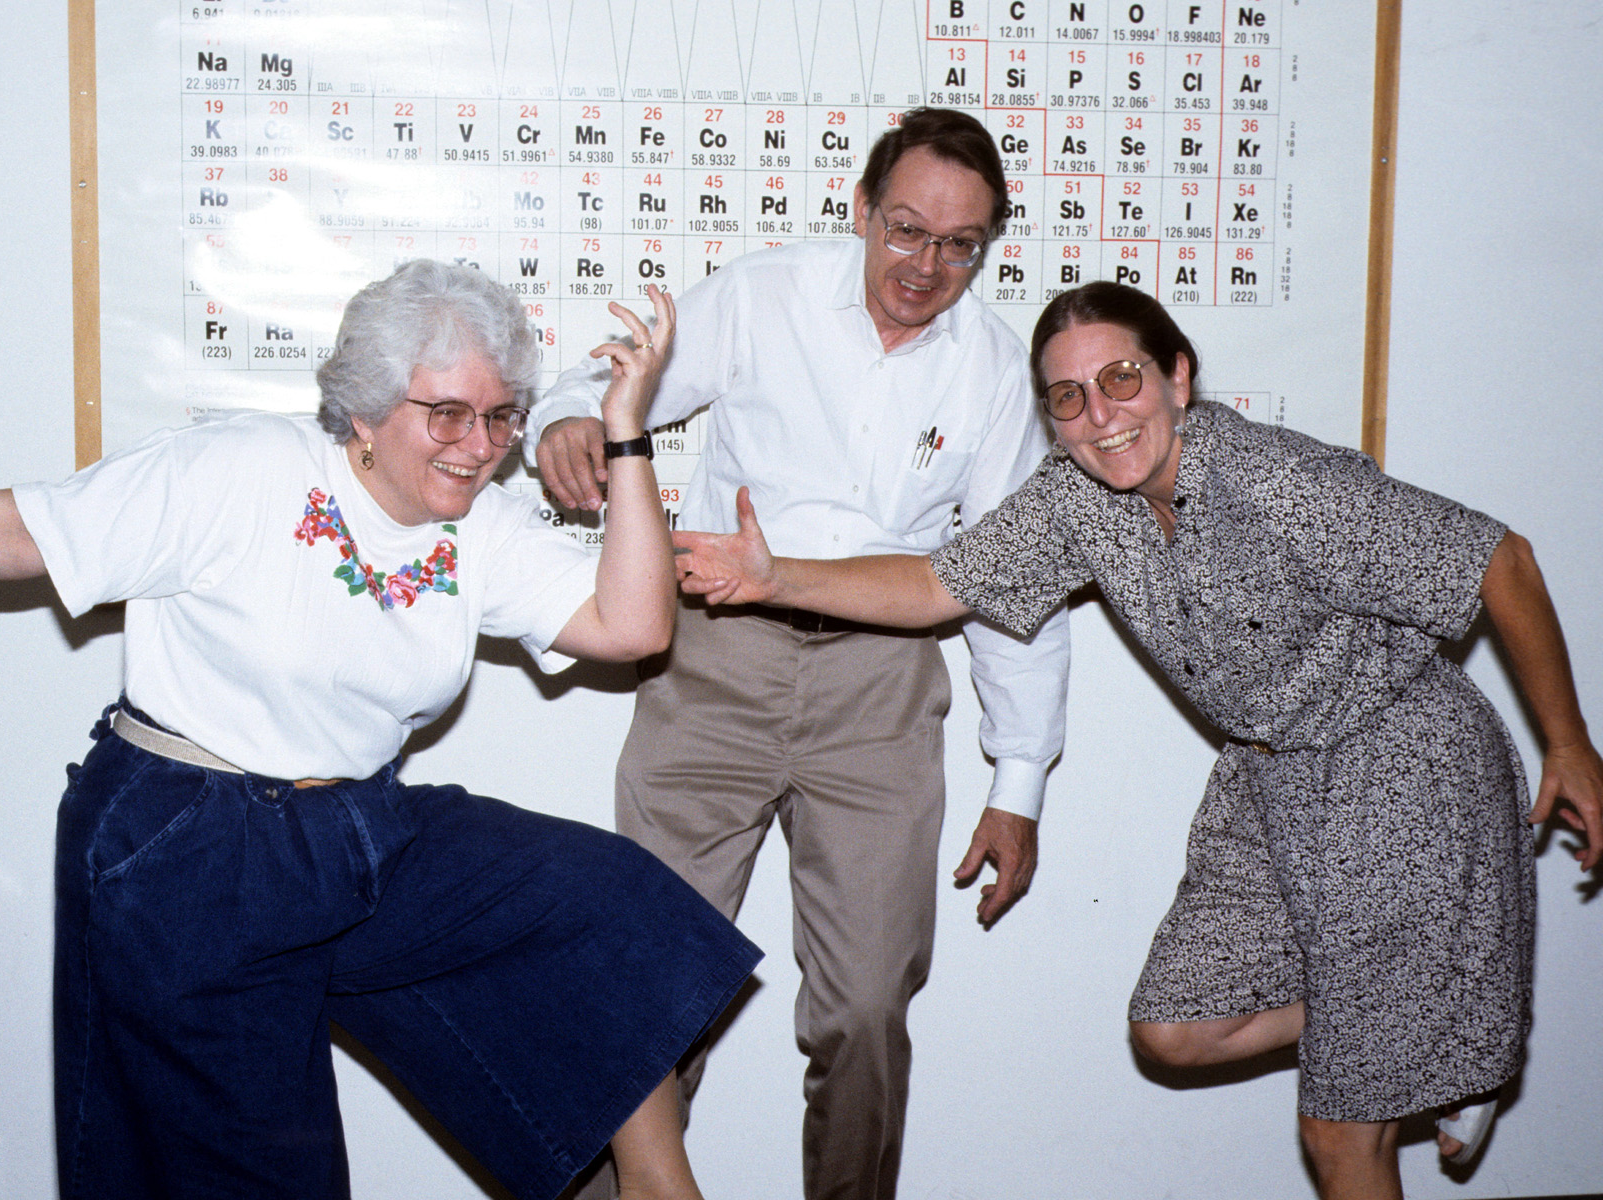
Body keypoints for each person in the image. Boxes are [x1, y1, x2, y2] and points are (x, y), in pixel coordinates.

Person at [0, 260, 761, 1200]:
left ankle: (655, 1184)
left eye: (502, 415)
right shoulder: (240, 470)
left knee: (599, 902)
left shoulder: (481, 525)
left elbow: (634, 626)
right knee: (258, 1172)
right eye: (448, 414)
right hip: (189, 844)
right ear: (365, 410)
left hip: (354, 827)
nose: (480, 446)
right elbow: (16, 531)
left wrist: (626, 434)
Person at [673, 280, 1603, 1200]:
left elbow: (1499, 559)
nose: (1101, 416)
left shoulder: (1278, 482)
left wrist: (1569, 746)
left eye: (1121, 379)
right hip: (1270, 778)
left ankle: (1415, 1031)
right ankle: (1428, 1026)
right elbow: (934, 586)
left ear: (1177, 377)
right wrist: (774, 576)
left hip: (1399, 769)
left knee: (1338, 1137)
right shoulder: (1078, 500)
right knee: (1175, 1028)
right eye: (1068, 397)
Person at [526, 108, 1069, 1200]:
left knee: (867, 1005)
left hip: (881, 686)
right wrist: (568, 420)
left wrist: (1019, 785)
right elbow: (605, 379)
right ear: (862, 210)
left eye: (959, 246)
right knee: (648, 987)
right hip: (712, 667)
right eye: (906, 229)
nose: (925, 266)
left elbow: (1013, 584)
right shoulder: (764, 294)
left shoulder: (993, 370)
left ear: (986, 249)